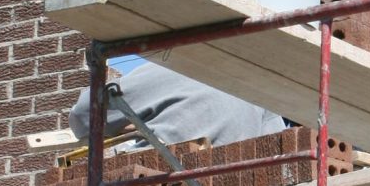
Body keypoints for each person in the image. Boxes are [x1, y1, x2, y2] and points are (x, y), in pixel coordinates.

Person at [68, 62, 286, 149]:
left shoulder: (174, 69)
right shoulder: (263, 95)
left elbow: (84, 114)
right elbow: (278, 152)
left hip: (157, 184)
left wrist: (129, 126)